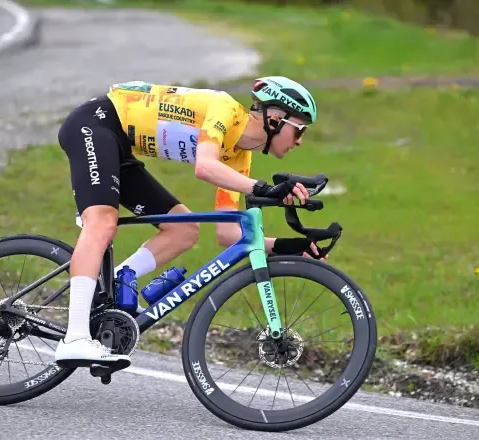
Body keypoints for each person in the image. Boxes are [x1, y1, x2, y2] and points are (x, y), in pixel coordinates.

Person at [54, 76, 325, 368]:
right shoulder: (224, 109)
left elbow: (227, 234)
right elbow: (205, 166)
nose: (300, 141)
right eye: (299, 130)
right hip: (96, 125)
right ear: (274, 120)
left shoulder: (238, 156)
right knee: (103, 222)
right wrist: (263, 188)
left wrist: (286, 247)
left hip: (117, 146)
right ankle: (75, 338)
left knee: (183, 229)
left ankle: (112, 285)